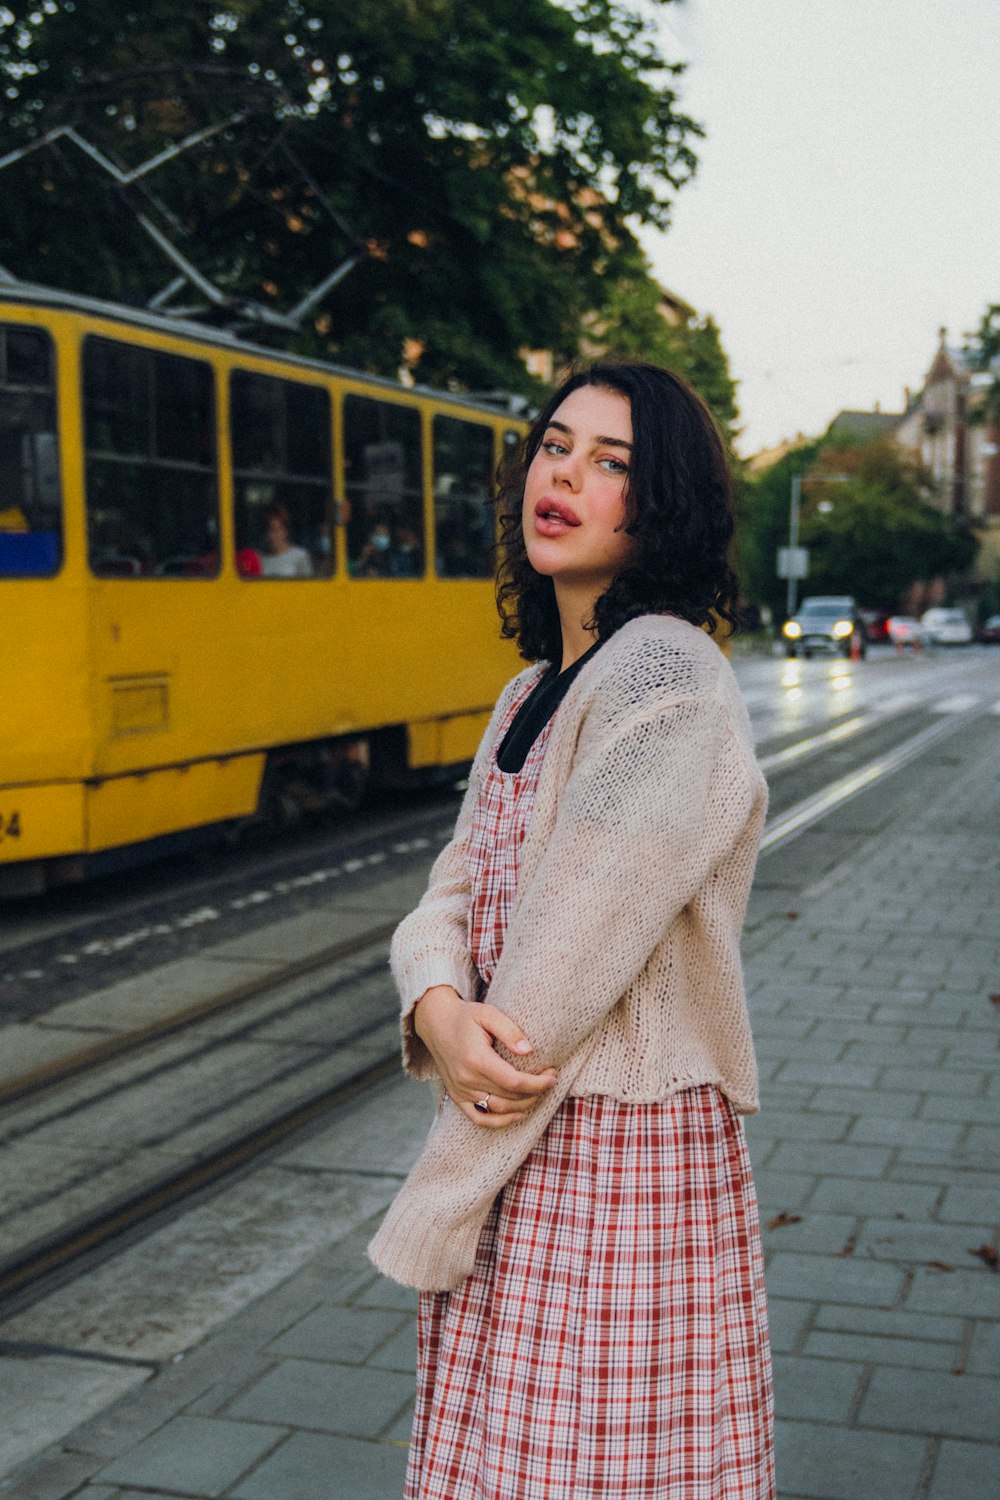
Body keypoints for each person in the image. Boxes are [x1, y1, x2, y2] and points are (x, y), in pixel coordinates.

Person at [368, 362, 775, 1499]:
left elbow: (554, 985)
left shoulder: (663, 679)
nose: (566, 477)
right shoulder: (531, 689)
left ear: (662, 508)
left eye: (613, 464)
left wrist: (439, 1194)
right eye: (556, 447)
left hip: (609, 1148)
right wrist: (436, 1006)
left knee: (580, 1471)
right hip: (520, 1137)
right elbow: (447, 891)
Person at [259, 502, 313, 578]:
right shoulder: (258, 558)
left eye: (275, 530)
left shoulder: (300, 556)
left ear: (285, 531)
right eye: (267, 530)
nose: (271, 535)